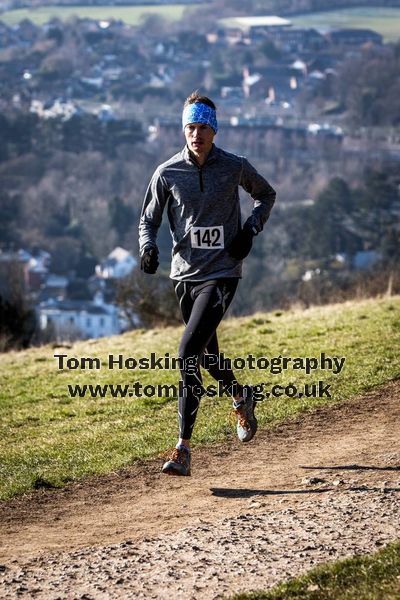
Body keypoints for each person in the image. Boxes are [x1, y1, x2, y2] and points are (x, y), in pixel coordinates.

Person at [139, 91, 276, 476]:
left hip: (222, 273)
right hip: (184, 275)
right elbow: (147, 220)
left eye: (202, 127)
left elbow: (266, 195)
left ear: (213, 131)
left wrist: (251, 229)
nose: (195, 134)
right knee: (206, 357)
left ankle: (183, 447)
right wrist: (148, 246)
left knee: (186, 352)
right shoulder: (167, 173)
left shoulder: (234, 166)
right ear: (183, 129)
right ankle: (241, 395)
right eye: (189, 127)